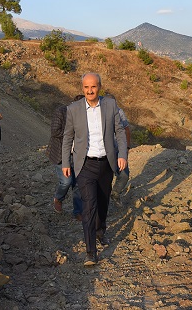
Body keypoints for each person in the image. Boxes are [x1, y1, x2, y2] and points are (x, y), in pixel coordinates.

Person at [62, 73, 128, 266]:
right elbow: (67, 137)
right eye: (86, 87)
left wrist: (122, 154)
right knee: (89, 206)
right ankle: (91, 252)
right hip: (85, 165)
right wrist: (66, 162)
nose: (90, 91)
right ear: (82, 88)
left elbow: (120, 132)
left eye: (93, 87)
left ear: (100, 87)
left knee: (102, 202)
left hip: (106, 163)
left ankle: (101, 231)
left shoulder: (110, 105)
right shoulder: (73, 109)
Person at [46, 97, 84, 221]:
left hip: (78, 155)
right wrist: (71, 132)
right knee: (66, 181)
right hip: (60, 154)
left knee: (78, 184)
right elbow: (55, 131)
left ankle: (78, 211)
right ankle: (58, 198)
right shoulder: (61, 112)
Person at [109, 99, 131, 204]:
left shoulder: (119, 112)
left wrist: (127, 147)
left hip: (119, 149)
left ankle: (115, 193)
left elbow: (126, 129)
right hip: (105, 151)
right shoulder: (98, 112)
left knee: (124, 175)